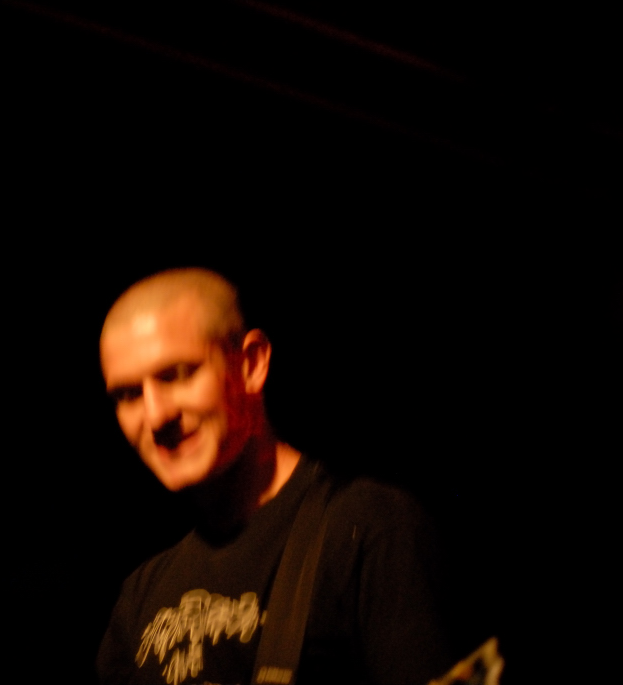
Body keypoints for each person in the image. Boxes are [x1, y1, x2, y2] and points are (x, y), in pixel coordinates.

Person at [96, 268, 455, 685]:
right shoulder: (141, 594)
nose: (156, 416)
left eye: (177, 374)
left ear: (252, 364)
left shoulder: (369, 531)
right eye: (128, 395)